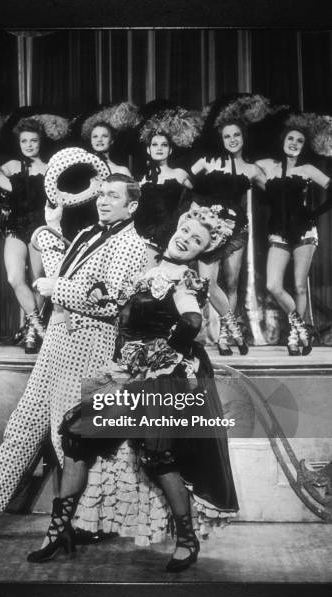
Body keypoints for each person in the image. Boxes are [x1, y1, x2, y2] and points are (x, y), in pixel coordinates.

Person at [0, 173, 148, 542]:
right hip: (58, 341)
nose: (104, 200)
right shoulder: (89, 232)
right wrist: (53, 226)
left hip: (91, 344)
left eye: (113, 196)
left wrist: (56, 287)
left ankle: (86, 524)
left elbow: (110, 301)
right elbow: (64, 274)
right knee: (22, 429)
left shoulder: (131, 244)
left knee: (72, 441)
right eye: (102, 194)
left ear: (132, 205)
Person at [26, 202, 238, 573]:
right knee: (76, 432)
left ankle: (186, 540)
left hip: (163, 378)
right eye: (185, 231)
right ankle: (58, 531)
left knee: (157, 454)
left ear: (205, 250)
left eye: (197, 240)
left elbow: (189, 319)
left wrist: (163, 349)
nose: (186, 239)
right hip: (126, 372)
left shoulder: (184, 279)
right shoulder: (150, 270)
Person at [190, 120, 265, 355]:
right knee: (207, 283)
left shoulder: (252, 169)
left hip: (237, 228)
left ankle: (224, 337)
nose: (232, 139)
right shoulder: (208, 162)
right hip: (209, 228)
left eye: (236, 135)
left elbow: (276, 191)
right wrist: (194, 211)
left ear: (243, 138)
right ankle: (232, 328)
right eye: (227, 136)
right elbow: (184, 184)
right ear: (220, 140)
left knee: (231, 282)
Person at [256, 124, 331, 356]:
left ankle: (294, 337)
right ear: (282, 141)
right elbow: (245, 170)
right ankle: (301, 328)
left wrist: (315, 213)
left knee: (299, 285)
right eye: (290, 138)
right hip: (278, 231)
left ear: (303, 146)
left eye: (299, 141)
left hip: (304, 231)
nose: (294, 143)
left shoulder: (307, 169)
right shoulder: (268, 165)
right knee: (273, 286)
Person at [0, 117, 49, 353]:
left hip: (40, 228)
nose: (28, 145)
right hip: (15, 227)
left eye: (33, 140)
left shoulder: (50, 168)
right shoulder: (8, 167)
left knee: (37, 279)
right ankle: (38, 325)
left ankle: (30, 333)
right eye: (24, 141)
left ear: (40, 142)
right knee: (15, 278)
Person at [61, 122, 132, 242]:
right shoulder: (79, 168)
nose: (99, 139)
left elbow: (129, 204)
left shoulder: (121, 170)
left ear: (112, 140)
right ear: (90, 140)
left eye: (104, 136)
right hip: (81, 224)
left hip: (111, 227)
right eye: (95, 136)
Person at [135, 131, 193, 262]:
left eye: (164, 145)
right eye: (155, 145)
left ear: (170, 150)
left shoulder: (179, 174)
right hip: (144, 238)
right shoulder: (141, 179)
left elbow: (198, 197)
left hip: (172, 236)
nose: (159, 148)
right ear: (148, 150)